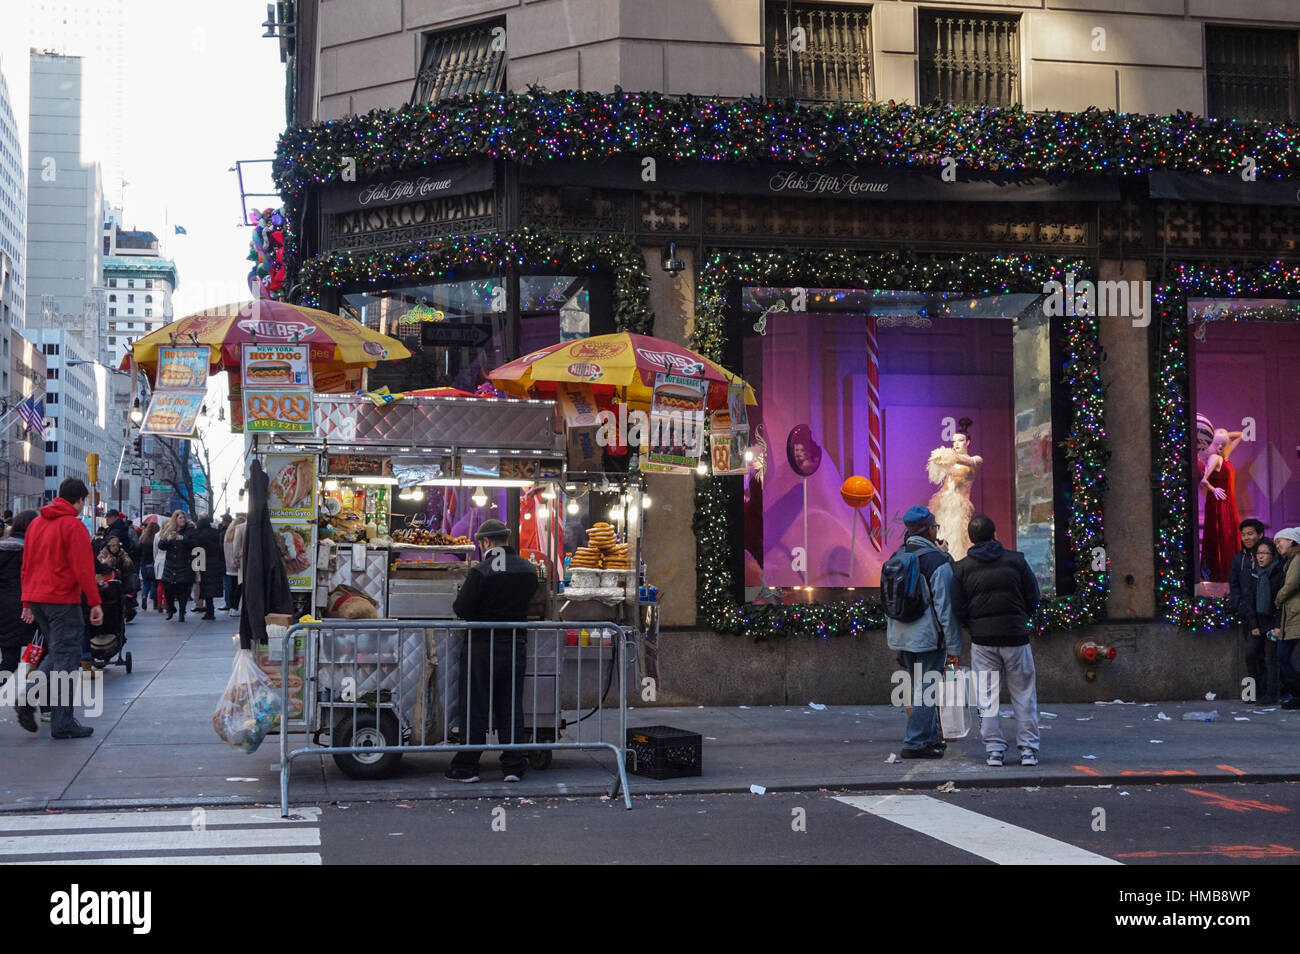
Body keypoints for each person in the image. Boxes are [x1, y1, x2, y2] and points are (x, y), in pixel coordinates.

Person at [445, 519, 539, 783]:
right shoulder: (528, 569)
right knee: (510, 706)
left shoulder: (482, 570)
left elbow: (462, 609)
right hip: (514, 645)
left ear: (485, 542)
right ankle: (513, 767)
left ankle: (467, 767)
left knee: (475, 705)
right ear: (505, 540)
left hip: (482, 646)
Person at [951, 514, 1042, 767]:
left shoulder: (961, 568)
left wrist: (974, 625)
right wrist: (1019, 618)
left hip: (983, 640)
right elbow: (1033, 597)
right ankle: (1028, 750)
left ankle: (994, 749)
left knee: (986, 696)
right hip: (1015, 636)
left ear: (971, 538)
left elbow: (958, 608)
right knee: (1024, 693)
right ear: (995, 534)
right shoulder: (1017, 561)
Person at [16, 479, 101, 739]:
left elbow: (27, 564)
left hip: (39, 598)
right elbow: (83, 568)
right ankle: (59, 720)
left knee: (58, 654)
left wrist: (27, 600)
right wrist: (95, 601)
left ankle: (33, 699)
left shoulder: (36, 524)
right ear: (79, 500)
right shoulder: (73, 526)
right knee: (66, 661)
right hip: (62, 600)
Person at [885, 505, 962, 759]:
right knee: (927, 690)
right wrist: (954, 647)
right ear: (929, 529)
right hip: (928, 638)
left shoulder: (897, 555)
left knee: (922, 688)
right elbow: (945, 608)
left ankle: (929, 739)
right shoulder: (936, 561)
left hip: (901, 637)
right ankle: (914, 742)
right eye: (935, 527)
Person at [0, 511, 38, 730]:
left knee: (10, 660)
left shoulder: (2, 547)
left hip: (4, 612)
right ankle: (36, 703)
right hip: (29, 610)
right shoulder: (31, 551)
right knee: (41, 657)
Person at [926, 418, 983, 561]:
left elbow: (965, 461)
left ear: (968, 442)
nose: (956, 444)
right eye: (954, 441)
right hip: (943, 504)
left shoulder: (975, 460)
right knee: (940, 534)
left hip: (958, 506)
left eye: (960, 440)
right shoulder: (950, 460)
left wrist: (949, 456)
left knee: (957, 539)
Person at [1242, 537, 1283, 706]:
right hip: (1257, 623)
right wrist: (1253, 625)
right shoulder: (1253, 573)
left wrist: (1278, 625)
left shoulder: (1280, 573)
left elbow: (1282, 603)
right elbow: (1248, 600)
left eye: (1265, 553)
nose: (1261, 556)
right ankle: (1253, 692)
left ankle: (1271, 694)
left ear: (1273, 555)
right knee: (1250, 654)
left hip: (1272, 622)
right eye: (1259, 553)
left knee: (1270, 659)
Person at [1200, 427, 1244, 582]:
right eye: (1216, 444)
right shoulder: (1215, 458)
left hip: (1228, 503)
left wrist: (1223, 436)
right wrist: (1214, 489)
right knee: (1222, 536)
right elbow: (1204, 480)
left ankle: (1231, 574)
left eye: (1222, 444)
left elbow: (1240, 434)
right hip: (1220, 504)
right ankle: (1220, 575)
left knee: (1230, 536)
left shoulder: (1225, 456)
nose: (1219, 447)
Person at [1272, 528, 1300, 709]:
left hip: (1296, 615)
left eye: (1279, 541)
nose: (1277, 545)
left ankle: (1297, 694)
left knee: (1282, 655)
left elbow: (1291, 584)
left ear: (1291, 541)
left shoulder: (1297, 560)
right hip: (1292, 616)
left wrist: (1278, 598)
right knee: (1283, 655)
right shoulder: (1290, 561)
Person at [157, 510, 196, 622]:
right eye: (180, 518)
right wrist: (167, 540)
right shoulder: (169, 531)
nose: (183, 520)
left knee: (182, 591)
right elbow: (161, 546)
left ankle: (181, 612)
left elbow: (195, 544)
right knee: (168, 590)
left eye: (184, 518)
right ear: (175, 519)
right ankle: (171, 608)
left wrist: (183, 539)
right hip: (170, 566)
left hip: (184, 565)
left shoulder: (190, 530)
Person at [192, 515, 226, 620]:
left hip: (203, 562)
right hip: (215, 563)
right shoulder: (216, 533)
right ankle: (210, 610)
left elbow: (196, 549)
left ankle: (209, 611)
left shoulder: (199, 535)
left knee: (205, 587)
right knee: (211, 587)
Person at [222, 515, 246, 617]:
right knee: (239, 587)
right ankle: (235, 607)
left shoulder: (227, 535)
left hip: (229, 565)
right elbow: (238, 550)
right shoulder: (239, 533)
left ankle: (231, 606)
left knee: (231, 587)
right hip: (238, 564)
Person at [137, 522, 159, 612]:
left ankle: (144, 595)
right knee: (154, 583)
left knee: (146, 584)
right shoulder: (156, 539)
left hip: (143, 564)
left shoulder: (142, 538)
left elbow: (138, 551)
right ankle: (154, 602)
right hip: (152, 564)